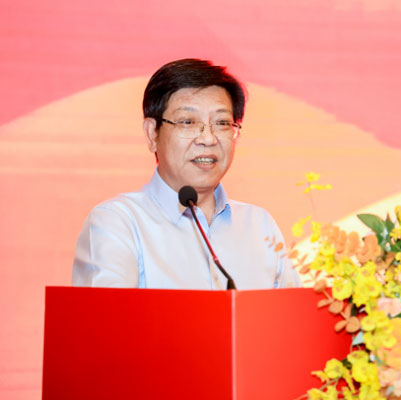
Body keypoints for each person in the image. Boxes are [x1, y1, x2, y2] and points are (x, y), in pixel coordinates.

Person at [72, 59, 300, 290]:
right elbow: (106, 314)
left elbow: (291, 310)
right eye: (188, 122)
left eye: (222, 122)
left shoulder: (260, 225)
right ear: (152, 133)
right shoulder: (118, 223)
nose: (208, 139)